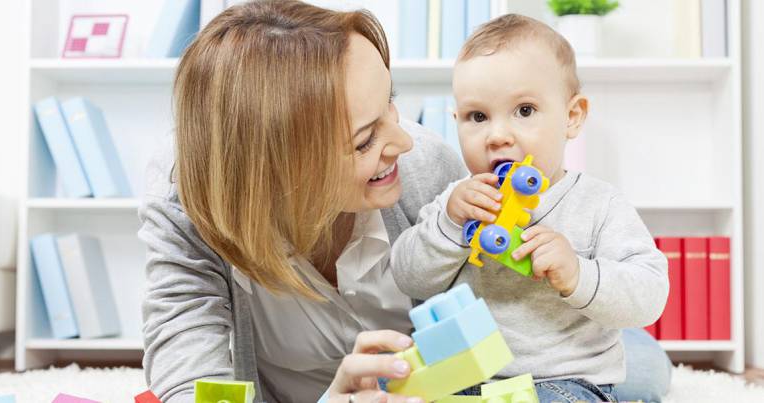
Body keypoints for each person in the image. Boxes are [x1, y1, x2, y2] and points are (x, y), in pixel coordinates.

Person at [138, 2, 671, 402]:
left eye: (391, 100)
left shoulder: (428, 166)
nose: (405, 141)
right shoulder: (188, 200)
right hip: (461, 370)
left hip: (534, 346)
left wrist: (578, 278)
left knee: (640, 370)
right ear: (279, 172)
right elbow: (188, 368)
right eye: (365, 139)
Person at [390, 14, 671, 403]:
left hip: (561, 381)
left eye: (524, 110)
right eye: (477, 117)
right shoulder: (458, 201)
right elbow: (408, 277)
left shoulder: (598, 203)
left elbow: (650, 294)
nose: (497, 136)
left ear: (571, 117)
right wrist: (450, 225)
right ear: (456, 120)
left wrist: (578, 273)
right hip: (460, 379)